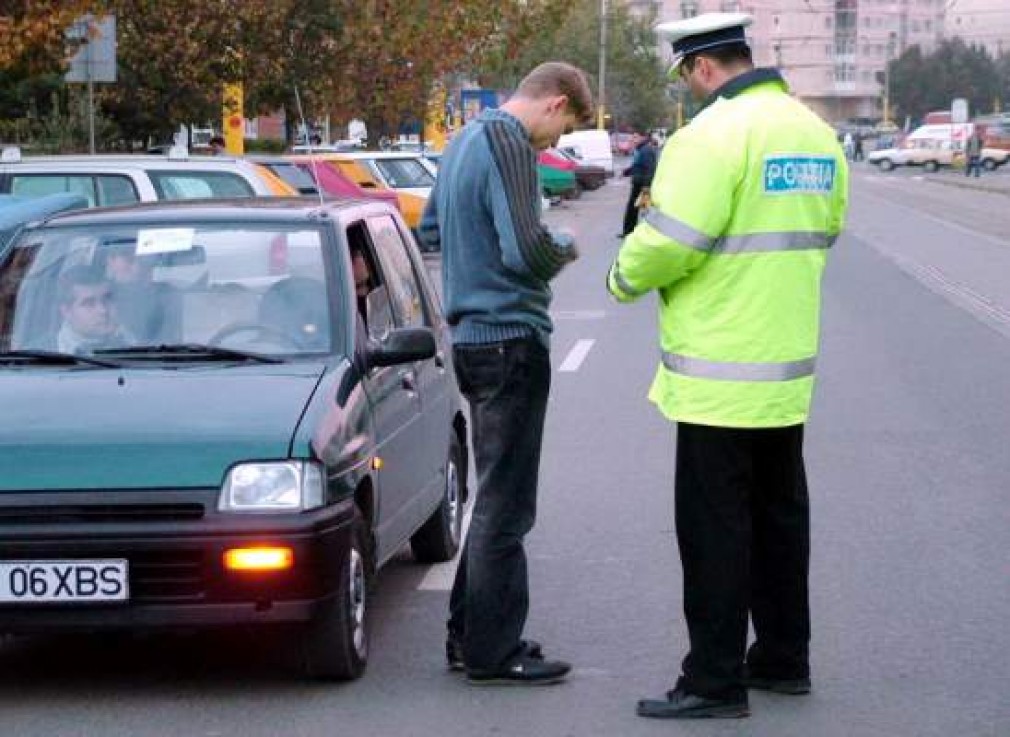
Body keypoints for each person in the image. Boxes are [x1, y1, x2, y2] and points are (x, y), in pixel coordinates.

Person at [607, 12, 848, 719]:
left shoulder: (709, 136)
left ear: (703, 68)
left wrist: (622, 274)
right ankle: (782, 656)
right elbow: (827, 225)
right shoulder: (814, 133)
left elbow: (670, 241)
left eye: (688, 78)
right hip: (785, 372)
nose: (690, 90)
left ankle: (714, 680)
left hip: (717, 376)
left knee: (715, 531)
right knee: (780, 519)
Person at [418, 61, 593, 686]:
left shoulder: (464, 138)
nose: (555, 142)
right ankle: (496, 652)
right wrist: (564, 245)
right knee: (507, 506)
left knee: (489, 495)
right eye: (565, 126)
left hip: (469, 338)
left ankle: (468, 637)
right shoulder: (511, 143)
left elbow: (430, 227)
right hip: (510, 337)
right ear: (556, 102)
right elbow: (527, 250)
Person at [104, 242, 181, 344]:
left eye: (144, 262)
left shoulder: (168, 295)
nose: (137, 269)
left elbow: (173, 340)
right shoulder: (98, 297)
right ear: (110, 260)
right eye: (129, 260)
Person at [56, 265, 133, 354]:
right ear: (66, 312)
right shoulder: (46, 353)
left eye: (107, 299)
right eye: (89, 304)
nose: (103, 310)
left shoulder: (137, 342)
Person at [620, 134, 659, 237]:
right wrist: (626, 172)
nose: (632, 139)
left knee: (645, 209)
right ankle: (629, 231)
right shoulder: (641, 149)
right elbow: (637, 165)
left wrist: (646, 186)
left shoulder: (646, 150)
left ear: (643, 137)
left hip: (643, 184)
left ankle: (648, 232)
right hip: (638, 183)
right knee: (634, 208)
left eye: (635, 137)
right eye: (632, 137)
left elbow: (650, 168)